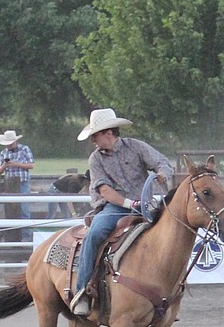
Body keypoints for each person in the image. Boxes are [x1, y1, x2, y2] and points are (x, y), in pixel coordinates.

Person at [70, 108, 173, 316]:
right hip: (114, 207)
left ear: (109, 133)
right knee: (94, 235)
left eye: (95, 135)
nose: (93, 141)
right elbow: (105, 191)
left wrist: (162, 173)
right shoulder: (96, 159)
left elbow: (162, 162)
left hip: (144, 204)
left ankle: (171, 286)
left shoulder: (136, 147)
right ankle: (82, 291)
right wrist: (129, 203)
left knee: (171, 233)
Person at [0, 129, 34, 241]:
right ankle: (13, 235)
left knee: (23, 209)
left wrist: (15, 164)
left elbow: (31, 165)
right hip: (10, 184)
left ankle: (26, 236)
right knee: (11, 210)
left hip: (22, 182)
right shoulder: (3, 153)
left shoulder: (24, 149)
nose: (8, 146)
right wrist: (5, 165)